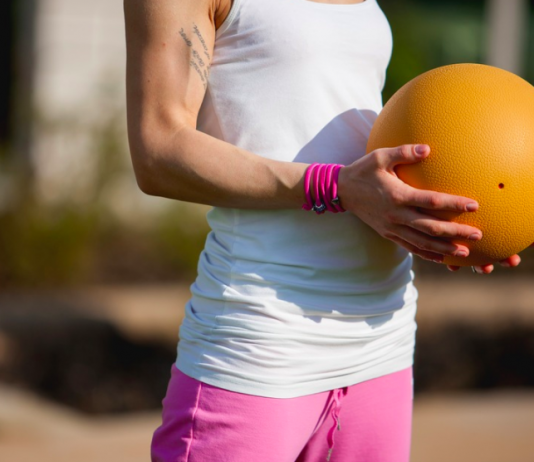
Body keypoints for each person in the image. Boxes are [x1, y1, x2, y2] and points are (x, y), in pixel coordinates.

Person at [123, 1, 524, 460]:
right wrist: (333, 186)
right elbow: (158, 150)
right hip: (261, 339)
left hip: (382, 336)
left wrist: (449, 219)